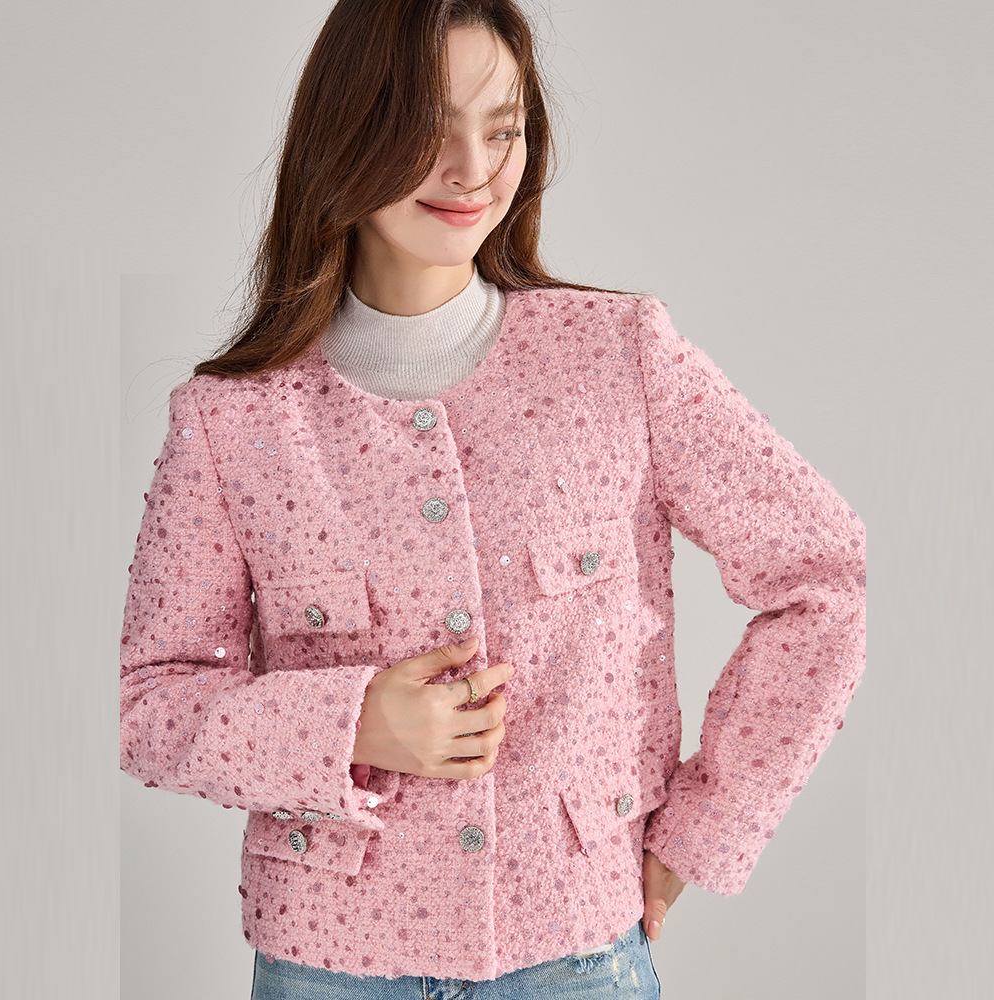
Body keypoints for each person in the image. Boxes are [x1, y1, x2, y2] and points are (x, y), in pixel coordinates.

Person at [119, 1, 867, 997]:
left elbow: (821, 576)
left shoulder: (618, 357)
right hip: (327, 966)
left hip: (577, 954)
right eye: (431, 128)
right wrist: (351, 723)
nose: (473, 168)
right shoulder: (232, 419)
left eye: (502, 129)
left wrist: (704, 829)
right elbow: (149, 704)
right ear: (347, 132)